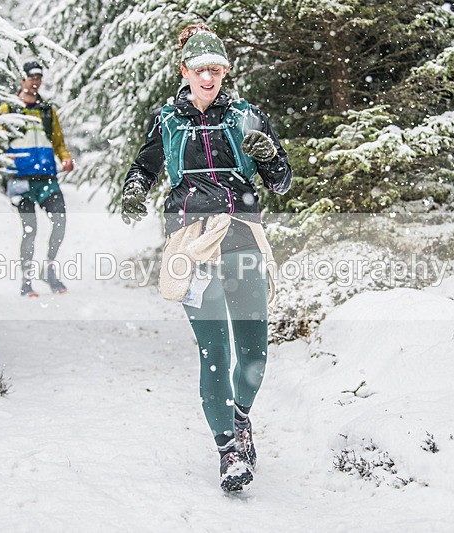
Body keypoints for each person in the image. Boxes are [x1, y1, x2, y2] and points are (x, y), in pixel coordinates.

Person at [121, 24, 292, 492]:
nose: (209, 77)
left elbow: (281, 182)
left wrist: (270, 155)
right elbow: (145, 166)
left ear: (225, 72)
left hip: (241, 238)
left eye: (217, 69)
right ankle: (228, 451)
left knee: (254, 355)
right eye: (201, 69)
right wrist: (135, 189)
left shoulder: (246, 115)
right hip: (190, 243)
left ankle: (239, 418)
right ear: (185, 71)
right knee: (214, 353)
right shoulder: (168, 120)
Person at [0, 61, 74, 297]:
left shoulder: (47, 110)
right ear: (22, 79)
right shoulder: (7, 110)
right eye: (32, 77)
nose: (36, 81)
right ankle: (26, 281)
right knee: (30, 230)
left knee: (60, 221)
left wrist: (65, 158)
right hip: (21, 180)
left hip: (47, 178)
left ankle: (49, 269)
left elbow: (58, 142)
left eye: (39, 77)